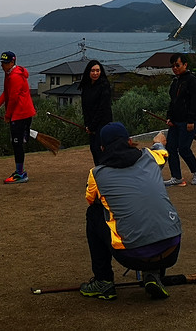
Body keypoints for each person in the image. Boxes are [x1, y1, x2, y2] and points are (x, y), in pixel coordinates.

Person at [79, 122, 182, 301]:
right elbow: (162, 151)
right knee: (153, 209)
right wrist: (158, 141)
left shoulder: (97, 173)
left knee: (94, 213)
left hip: (132, 255)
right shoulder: (151, 157)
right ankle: (153, 274)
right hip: (171, 249)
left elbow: (91, 199)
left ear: (102, 148)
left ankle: (103, 281)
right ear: (130, 141)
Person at [0, 51, 37, 183]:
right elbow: (6, 93)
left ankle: (20, 174)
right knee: (18, 142)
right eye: (2, 63)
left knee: (17, 144)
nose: (2, 66)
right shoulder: (10, 73)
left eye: (5, 63)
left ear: (12, 63)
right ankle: (20, 171)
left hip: (20, 113)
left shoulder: (15, 76)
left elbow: (14, 98)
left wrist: (7, 115)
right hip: (23, 112)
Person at [164, 52, 196, 187]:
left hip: (188, 121)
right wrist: (169, 117)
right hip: (175, 121)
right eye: (173, 66)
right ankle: (176, 176)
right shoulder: (175, 81)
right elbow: (173, 102)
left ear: (185, 65)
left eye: (177, 65)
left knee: (184, 148)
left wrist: (191, 120)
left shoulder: (191, 80)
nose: (175, 68)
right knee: (171, 148)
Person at [79, 59, 113, 165]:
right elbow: (85, 108)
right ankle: (98, 175)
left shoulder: (104, 86)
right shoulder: (86, 87)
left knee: (101, 151)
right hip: (91, 125)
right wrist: (87, 125)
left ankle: (104, 177)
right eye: (93, 71)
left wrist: (93, 126)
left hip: (103, 125)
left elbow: (103, 108)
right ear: (88, 72)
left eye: (97, 70)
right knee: (94, 149)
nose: (95, 73)